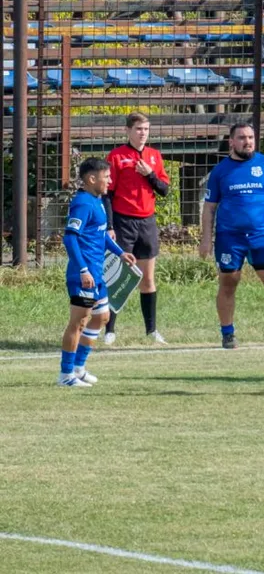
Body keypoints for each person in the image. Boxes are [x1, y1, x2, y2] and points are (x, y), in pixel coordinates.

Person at [199, 123, 264, 349]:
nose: (247, 142)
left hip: (260, 236)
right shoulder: (221, 171)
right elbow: (209, 208)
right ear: (231, 142)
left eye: (250, 137)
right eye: (241, 138)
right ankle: (228, 334)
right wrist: (206, 239)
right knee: (229, 282)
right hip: (230, 238)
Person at [60, 159, 136, 386]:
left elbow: (99, 234)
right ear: (92, 179)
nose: (110, 181)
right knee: (79, 322)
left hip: (97, 273)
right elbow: (70, 237)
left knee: (102, 317)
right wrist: (83, 270)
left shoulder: (98, 201)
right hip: (83, 275)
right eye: (107, 177)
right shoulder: (82, 203)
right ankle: (65, 375)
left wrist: (120, 252)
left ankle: (79, 368)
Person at [103, 112, 170, 345]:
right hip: (123, 222)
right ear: (128, 131)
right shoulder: (116, 156)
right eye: (139, 129)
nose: (143, 133)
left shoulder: (154, 156)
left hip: (147, 222)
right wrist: (110, 225)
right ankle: (109, 330)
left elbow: (164, 190)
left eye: (146, 129)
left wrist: (149, 174)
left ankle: (151, 330)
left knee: (148, 279)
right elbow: (107, 195)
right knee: (117, 277)